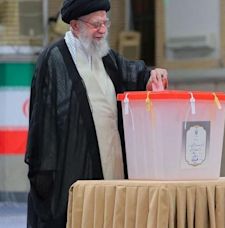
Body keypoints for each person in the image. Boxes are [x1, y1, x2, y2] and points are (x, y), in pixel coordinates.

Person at [24, 0, 168, 227]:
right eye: (95, 24)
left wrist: (151, 77)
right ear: (74, 26)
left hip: (113, 171)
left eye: (105, 23)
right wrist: (46, 181)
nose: (103, 30)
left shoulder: (106, 57)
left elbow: (134, 75)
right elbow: (43, 128)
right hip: (71, 179)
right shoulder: (53, 60)